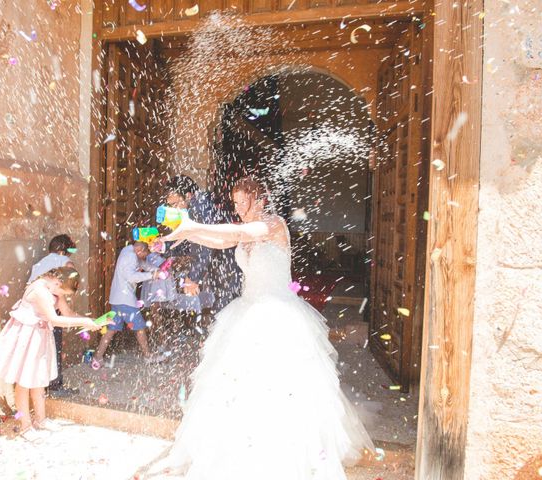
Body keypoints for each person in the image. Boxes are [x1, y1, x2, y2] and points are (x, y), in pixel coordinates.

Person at [137, 177, 374, 480]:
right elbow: (222, 240)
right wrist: (183, 234)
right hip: (246, 309)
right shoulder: (246, 229)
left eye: (241, 202)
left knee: (276, 387)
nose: (237, 209)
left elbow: (236, 231)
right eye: (234, 202)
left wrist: (190, 226)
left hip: (277, 313)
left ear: (260, 200)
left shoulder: (272, 225)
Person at [0, 267, 100, 441]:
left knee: (38, 379)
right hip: (27, 336)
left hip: (40, 336)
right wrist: (83, 321)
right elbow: (54, 319)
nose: (61, 294)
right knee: (24, 382)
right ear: (57, 282)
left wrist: (90, 322)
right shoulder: (39, 290)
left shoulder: (54, 290)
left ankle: (41, 419)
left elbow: (68, 314)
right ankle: (25, 426)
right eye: (62, 291)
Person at [160, 175, 241, 319]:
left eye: (174, 204)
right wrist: (164, 246)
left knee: (228, 314)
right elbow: (192, 242)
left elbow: (204, 245)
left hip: (228, 267)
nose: (174, 209)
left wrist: (193, 277)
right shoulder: (198, 204)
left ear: (188, 195)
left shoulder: (200, 205)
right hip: (222, 268)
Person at [91, 242, 165, 369]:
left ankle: (97, 358)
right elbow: (132, 277)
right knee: (140, 328)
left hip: (117, 299)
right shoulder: (130, 256)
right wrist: (152, 275)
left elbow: (142, 264)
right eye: (145, 254)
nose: (145, 257)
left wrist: (156, 269)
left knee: (111, 330)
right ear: (140, 250)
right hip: (126, 300)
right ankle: (148, 356)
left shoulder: (128, 250)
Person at [28, 234, 76, 397]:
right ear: (63, 250)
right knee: (54, 346)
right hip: (51, 309)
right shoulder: (63, 262)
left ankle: (44, 386)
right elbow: (71, 273)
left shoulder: (38, 265)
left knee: (42, 350)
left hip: (34, 313)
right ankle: (55, 386)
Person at [140, 251, 176, 352]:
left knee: (156, 313)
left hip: (159, 282)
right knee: (154, 314)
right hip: (154, 281)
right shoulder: (149, 253)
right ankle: (160, 340)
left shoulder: (160, 253)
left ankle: (162, 341)